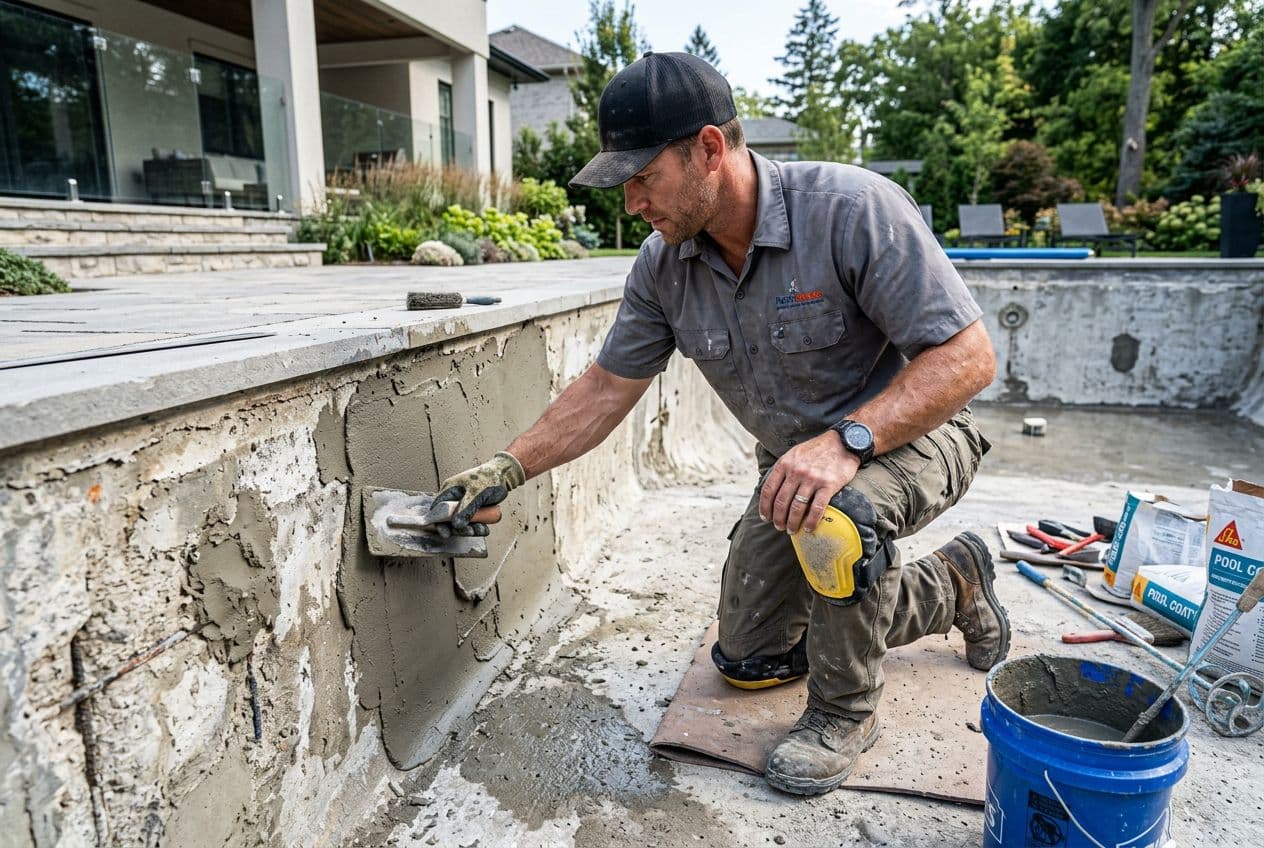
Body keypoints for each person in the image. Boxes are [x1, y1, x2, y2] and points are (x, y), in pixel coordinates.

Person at [434, 51, 1009, 796]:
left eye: (644, 178)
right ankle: (956, 583)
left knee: (836, 522)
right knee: (748, 658)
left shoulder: (850, 209)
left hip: (917, 436)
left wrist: (845, 443)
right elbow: (607, 387)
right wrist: (508, 466)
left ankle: (844, 713)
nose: (632, 202)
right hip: (797, 472)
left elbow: (969, 358)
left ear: (708, 149)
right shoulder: (664, 265)